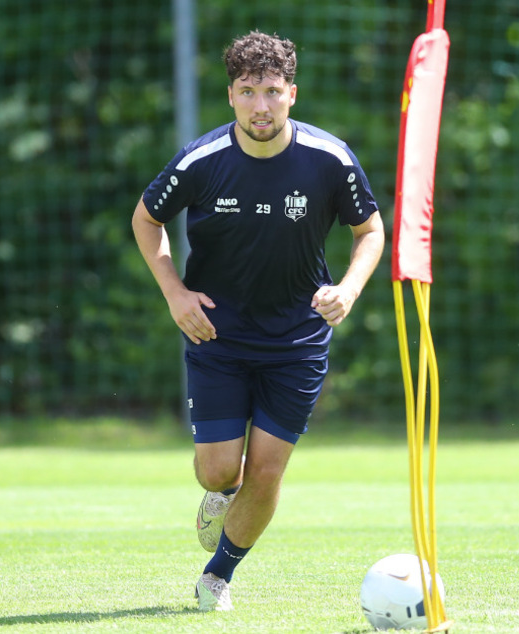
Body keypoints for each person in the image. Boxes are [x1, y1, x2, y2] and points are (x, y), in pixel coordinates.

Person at [132, 30, 384, 612]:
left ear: (292, 94)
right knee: (219, 470)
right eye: (248, 92)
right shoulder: (202, 160)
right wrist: (175, 293)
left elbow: (369, 231)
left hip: (297, 340)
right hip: (217, 333)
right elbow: (147, 220)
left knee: (266, 472)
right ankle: (223, 494)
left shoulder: (329, 159)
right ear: (231, 96)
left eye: (272, 91)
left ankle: (216, 577)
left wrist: (348, 288)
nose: (261, 106)